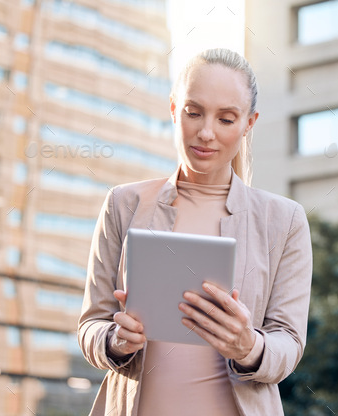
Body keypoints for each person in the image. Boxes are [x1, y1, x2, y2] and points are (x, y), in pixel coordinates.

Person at [78, 48, 313, 416]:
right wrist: (116, 341)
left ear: (248, 123)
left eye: (226, 119)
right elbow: (91, 324)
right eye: (193, 113)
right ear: (174, 109)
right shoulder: (123, 204)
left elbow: (289, 341)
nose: (206, 133)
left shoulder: (284, 220)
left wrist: (248, 345)